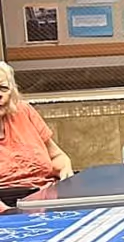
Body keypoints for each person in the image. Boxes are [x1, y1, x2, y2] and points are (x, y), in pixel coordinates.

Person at [0, 60, 72, 194]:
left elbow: (57, 158)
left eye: (3, 88)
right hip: (7, 203)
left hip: (45, 196)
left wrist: (65, 169)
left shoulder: (23, 111)